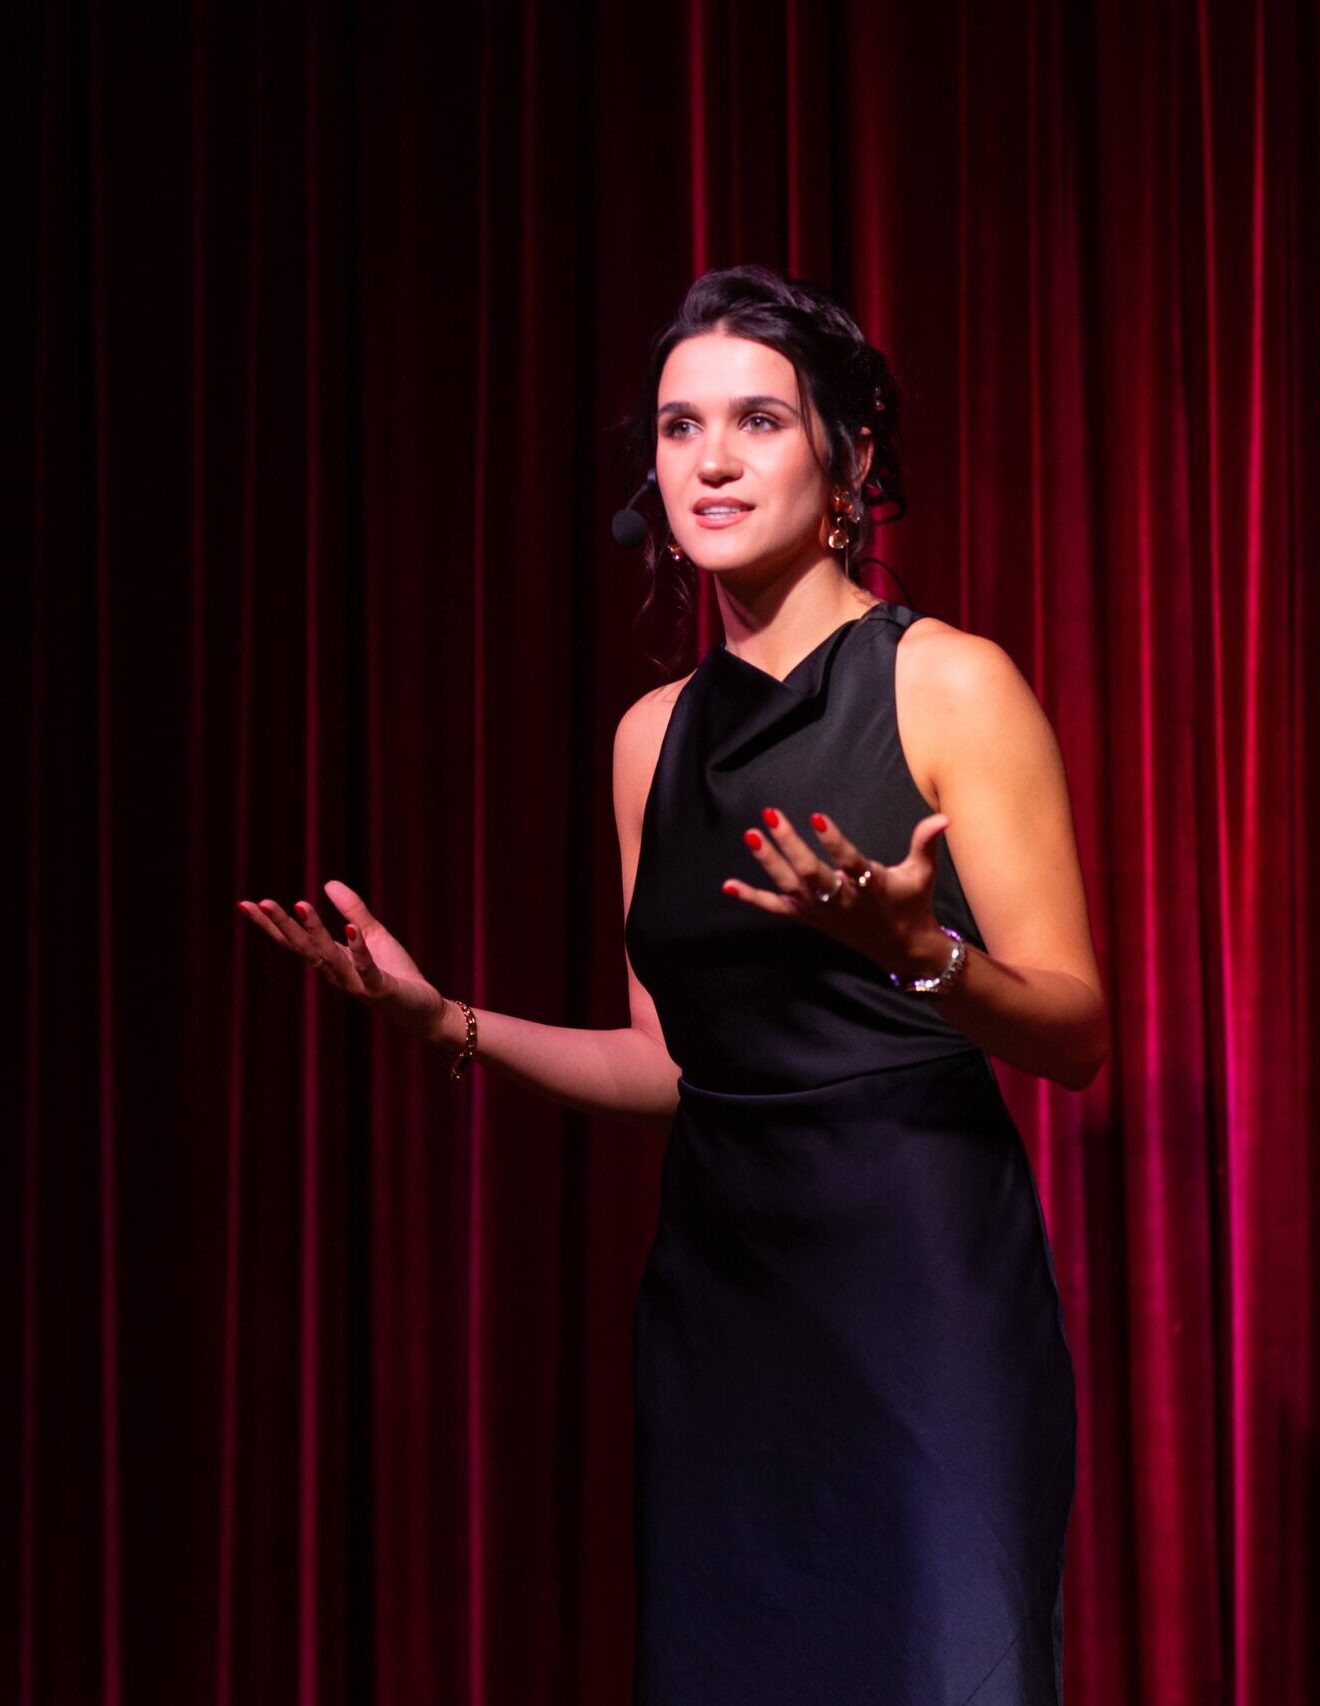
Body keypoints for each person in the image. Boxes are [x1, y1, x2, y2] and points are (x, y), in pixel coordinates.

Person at [239, 264, 1108, 1705]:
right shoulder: (654, 735)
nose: (708, 460)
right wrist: (444, 1020)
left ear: (848, 455)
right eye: (677, 425)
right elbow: (673, 1063)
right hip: (724, 1299)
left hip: (922, 1285)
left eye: (757, 421)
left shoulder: (948, 682)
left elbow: (1075, 1031)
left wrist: (921, 956)